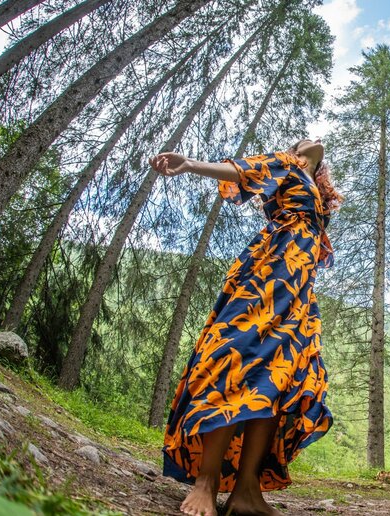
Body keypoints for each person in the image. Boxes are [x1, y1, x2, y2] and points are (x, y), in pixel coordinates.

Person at [147, 138, 342, 516]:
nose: (314, 139)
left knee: (280, 378)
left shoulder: (315, 188)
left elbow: (316, 241)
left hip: (299, 291)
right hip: (269, 274)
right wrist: (189, 164)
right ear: (297, 148)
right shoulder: (286, 164)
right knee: (236, 357)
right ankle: (205, 481)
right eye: (304, 138)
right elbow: (242, 171)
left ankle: (247, 490)